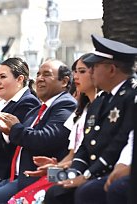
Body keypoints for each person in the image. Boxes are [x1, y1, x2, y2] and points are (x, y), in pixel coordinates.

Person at [0, 59, 77, 204]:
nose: (40, 79)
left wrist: (13, 128)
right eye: (38, 74)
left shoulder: (65, 104)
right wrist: (8, 131)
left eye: (46, 74)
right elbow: (17, 139)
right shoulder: (37, 110)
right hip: (21, 176)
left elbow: (46, 139)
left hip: (45, 176)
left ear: (64, 81)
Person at [44, 35, 137, 204]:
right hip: (90, 169)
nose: (91, 72)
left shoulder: (130, 96)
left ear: (111, 70)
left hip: (110, 169)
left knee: (84, 192)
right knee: (54, 190)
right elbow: (85, 147)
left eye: (93, 67)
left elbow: (119, 143)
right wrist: (70, 173)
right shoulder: (100, 102)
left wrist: (86, 175)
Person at [8, 53, 97, 203]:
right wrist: (54, 168)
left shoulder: (69, 105)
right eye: (75, 71)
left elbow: (45, 139)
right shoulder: (82, 111)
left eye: (82, 71)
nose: (76, 76)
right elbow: (73, 155)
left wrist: (58, 170)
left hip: (88, 174)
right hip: (67, 171)